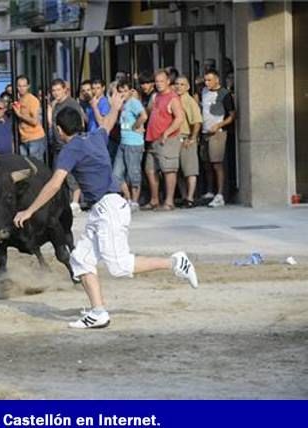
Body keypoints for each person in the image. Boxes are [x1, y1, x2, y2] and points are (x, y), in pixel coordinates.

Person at [13, 95, 198, 330]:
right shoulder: (94, 137)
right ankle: (98, 312)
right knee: (80, 259)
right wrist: (115, 107)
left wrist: (29, 210)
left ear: (59, 130)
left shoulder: (69, 150)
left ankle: (175, 262)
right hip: (105, 209)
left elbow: (54, 184)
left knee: (119, 266)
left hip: (109, 208)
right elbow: (108, 123)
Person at [143, 69, 185, 211]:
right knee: (150, 169)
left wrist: (167, 132)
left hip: (168, 140)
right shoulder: (154, 97)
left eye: (162, 81)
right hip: (152, 139)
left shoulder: (173, 98)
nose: (159, 84)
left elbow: (179, 118)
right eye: (157, 81)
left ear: (168, 82)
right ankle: (154, 200)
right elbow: (148, 112)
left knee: (169, 170)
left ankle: (169, 202)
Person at [46, 78, 85, 212]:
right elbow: (51, 123)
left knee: (70, 174)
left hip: (69, 144)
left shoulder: (71, 104)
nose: (56, 93)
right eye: (53, 90)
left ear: (65, 90)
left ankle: (75, 202)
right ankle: (66, 202)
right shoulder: (55, 105)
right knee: (59, 175)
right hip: (57, 145)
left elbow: (79, 123)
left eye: (58, 90)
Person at [200, 69, 236, 208]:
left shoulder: (224, 94)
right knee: (207, 163)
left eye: (209, 80)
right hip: (205, 131)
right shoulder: (203, 92)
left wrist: (219, 125)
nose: (207, 83)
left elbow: (232, 115)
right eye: (205, 80)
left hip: (218, 132)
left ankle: (220, 194)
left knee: (217, 163)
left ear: (217, 80)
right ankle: (210, 191)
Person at [111, 80, 147, 212]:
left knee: (134, 172)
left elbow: (143, 116)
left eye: (125, 91)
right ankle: (128, 197)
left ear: (130, 91)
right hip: (123, 141)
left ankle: (135, 201)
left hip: (133, 142)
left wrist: (136, 126)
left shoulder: (133, 103)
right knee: (116, 174)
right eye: (120, 91)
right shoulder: (124, 104)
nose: (122, 94)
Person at [174, 76, 202, 208]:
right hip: (174, 139)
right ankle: (184, 196)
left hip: (186, 138)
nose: (179, 86)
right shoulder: (174, 99)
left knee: (190, 170)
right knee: (178, 170)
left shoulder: (189, 101)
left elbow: (197, 121)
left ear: (188, 87)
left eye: (182, 84)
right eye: (177, 84)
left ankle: (190, 197)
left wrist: (192, 138)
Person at [13, 75, 45, 161]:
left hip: (35, 138)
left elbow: (34, 121)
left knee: (36, 166)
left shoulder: (32, 100)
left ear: (28, 86)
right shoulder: (19, 99)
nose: (21, 88)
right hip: (24, 138)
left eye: (24, 86)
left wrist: (19, 115)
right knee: (27, 165)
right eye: (19, 86)